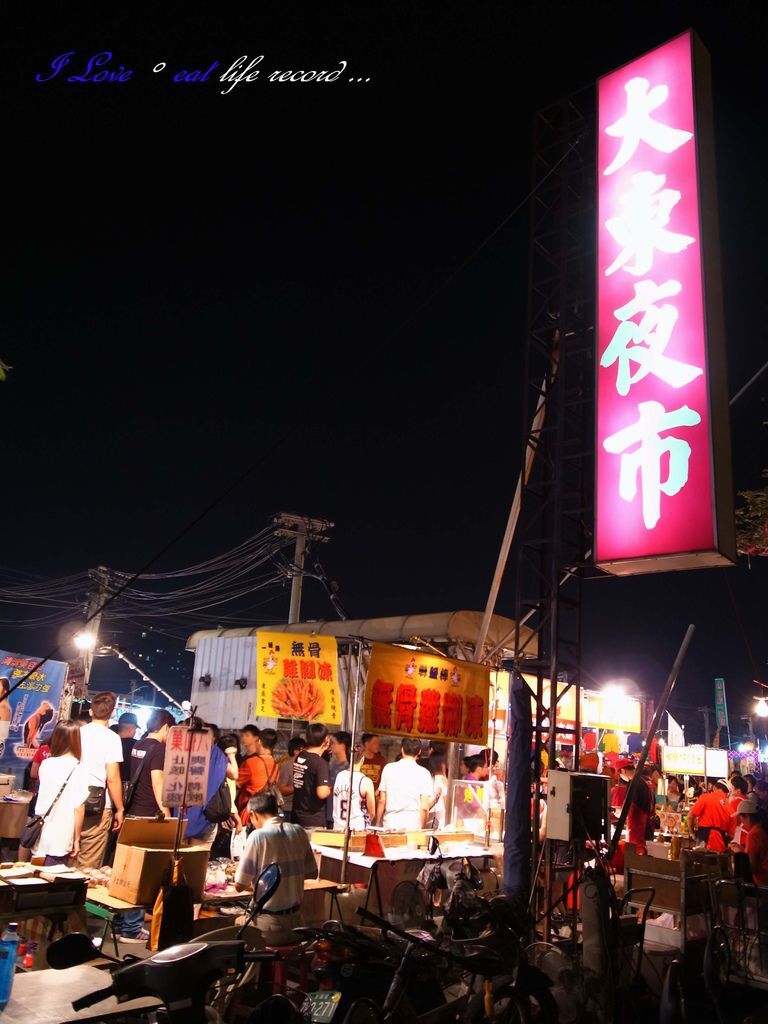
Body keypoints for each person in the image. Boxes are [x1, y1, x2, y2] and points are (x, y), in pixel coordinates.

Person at [235, 792, 318, 945]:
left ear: (253, 814)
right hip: (298, 924)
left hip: (270, 927)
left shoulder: (258, 836)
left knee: (235, 923)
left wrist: (264, 884)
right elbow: (312, 873)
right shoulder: (299, 831)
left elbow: (239, 886)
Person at [77, 692, 124, 869]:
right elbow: (112, 778)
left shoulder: (76, 733)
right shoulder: (112, 738)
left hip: (72, 798)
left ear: (90, 711)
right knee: (89, 862)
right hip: (97, 804)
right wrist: (120, 809)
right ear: (112, 713)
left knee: (69, 852)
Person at [33, 721, 90, 867]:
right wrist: (77, 839)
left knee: (36, 875)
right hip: (62, 834)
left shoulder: (46, 764)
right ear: (76, 740)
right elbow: (79, 807)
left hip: (41, 832)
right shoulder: (79, 768)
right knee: (54, 876)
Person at [125, 709, 174, 820]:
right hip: (149, 811)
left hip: (134, 807)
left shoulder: (138, 743)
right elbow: (157, 783)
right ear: (166, 727)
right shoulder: (159, 749)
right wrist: (166, 812)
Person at [376, 737, 433, 830]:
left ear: (402, 749)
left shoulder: (388, 768)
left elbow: (382, 800)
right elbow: (424, 807)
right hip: (413, 825)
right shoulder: (424, 773)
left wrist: (378, 822)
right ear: (419, 751)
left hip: (390, 823)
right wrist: (421, 828)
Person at [236, 726, 278, 825]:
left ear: (259, 741)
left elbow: (236, 783)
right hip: (268, 813)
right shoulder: (276, 765)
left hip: (249, 813)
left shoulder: (251, 762)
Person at [292, 724, 331, 829]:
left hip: (297, 817)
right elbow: (322, 793)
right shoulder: (321, 764)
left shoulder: (300, 756)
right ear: (326, 740)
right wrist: (329, 789)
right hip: (313, 821)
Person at [729, 797, 768, 884]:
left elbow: (753, 868)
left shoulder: (753, 834)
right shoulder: (762, 828)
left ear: (746, 816)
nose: (741, 822)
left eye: (741, 818)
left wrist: (740, 854)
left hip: (762, 882)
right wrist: (743, 850)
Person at [689, 779, 730, 850]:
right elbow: (731, 835)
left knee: (700, 857)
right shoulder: (730, 807)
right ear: (727, 793)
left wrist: (692, 833)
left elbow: (690, 817)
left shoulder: (704, 797)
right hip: (720, 844)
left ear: (714, 788)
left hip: (703, 839)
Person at [332, 764, 375, 831]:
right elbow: (372, 813)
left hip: (338, 828)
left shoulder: (339, 776)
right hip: (357, 829)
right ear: (362, 759)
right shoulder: (365, 781)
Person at [327, 731, 351, 828]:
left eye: (333, 743)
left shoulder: (348, 767)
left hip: (341, 816)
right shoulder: (331, 764)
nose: (331, 746)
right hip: (328, 811)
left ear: (343, 745)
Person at [278, 737, 304, 822]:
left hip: (300, 808)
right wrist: (298, 787)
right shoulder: (287, 766)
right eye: (303, 749)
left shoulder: (304, 765)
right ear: (296, 751)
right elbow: (282, 789)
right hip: (288, 809)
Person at [113, 713, 139, 782]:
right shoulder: (137, 745)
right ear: (132, 729)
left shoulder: (110, 743)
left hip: (111, 783)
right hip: (129, 784)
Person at [427, 753, 448, 829]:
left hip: (430, 818)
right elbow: (447, 802)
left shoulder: (430, 779)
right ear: (442, 764)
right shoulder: (442, 779)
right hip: (440, 819)